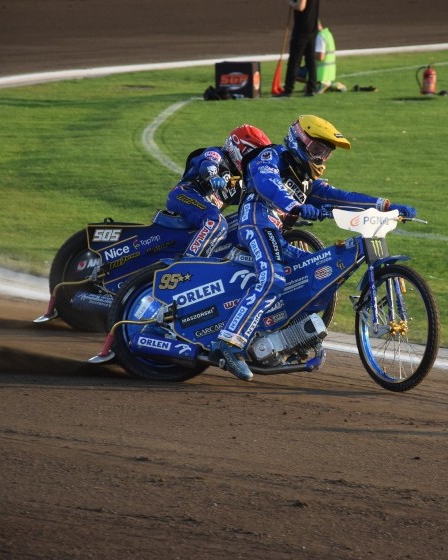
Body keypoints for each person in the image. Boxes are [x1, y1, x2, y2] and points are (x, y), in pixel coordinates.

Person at [216, 115, 417, 381]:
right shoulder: (272, 156)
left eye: (326, 153)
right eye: (316, 150)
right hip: (256, 223)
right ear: (298, 140)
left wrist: (385, 206)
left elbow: (340, 197)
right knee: (273, 278)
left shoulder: (307, 179)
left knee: (314, 274)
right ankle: (230, 343)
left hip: (275, 234)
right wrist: (295, 206)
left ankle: (290, 336)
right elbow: (268, 184)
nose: (321, 157)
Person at [165, 125, 271, 257]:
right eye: (252, 155)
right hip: (184, 194)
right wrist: (213, 176)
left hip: (202, 210)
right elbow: (208, 163)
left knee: (245, 220)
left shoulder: (240, 179)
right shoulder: (217, 153)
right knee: (217, 222)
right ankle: (188, 262)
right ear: (238, 148)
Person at [280, 0, 320, 97]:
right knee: (310, 61)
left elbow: (301, 7)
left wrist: (291, 3)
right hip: (312, 29)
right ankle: (312, 89)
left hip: (302, 30)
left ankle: (288, 90)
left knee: (294, 61)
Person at [297, 20, 346, 94]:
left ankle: (318, 84)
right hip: (328, 73)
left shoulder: (319, 37)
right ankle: (330, 84)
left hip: (320, 73)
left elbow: (320, 57)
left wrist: (307, 52)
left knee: (294, 72)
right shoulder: (327, 34)